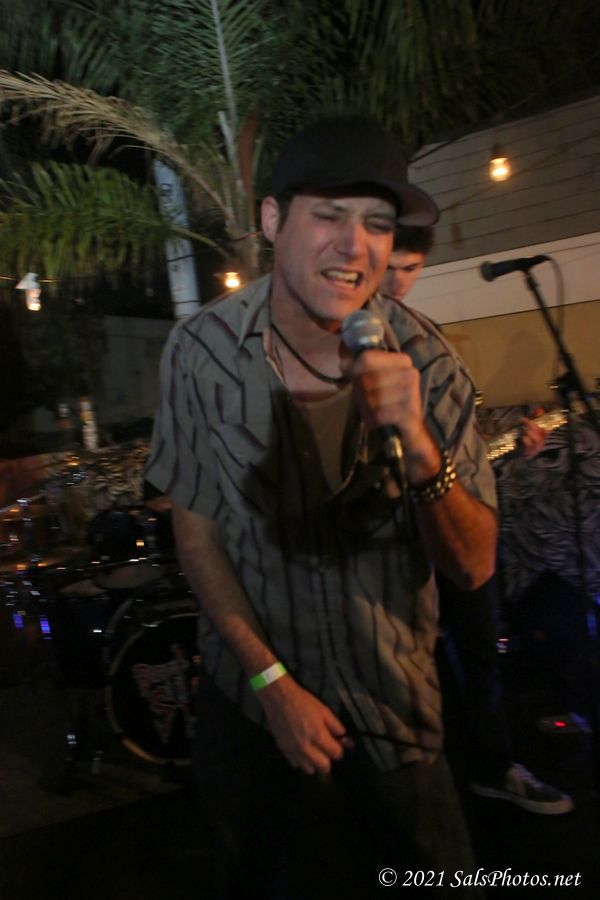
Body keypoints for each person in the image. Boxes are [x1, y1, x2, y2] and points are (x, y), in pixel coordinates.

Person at [145, 116, 498, 899]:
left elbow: (474, 566)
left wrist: (421, 448)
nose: (355, 245)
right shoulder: (201, 354)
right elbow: (196, 535)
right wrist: (271, 683)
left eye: (376, 223)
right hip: (249, 702)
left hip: (393, 704)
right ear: (273, 220)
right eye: (329, 215)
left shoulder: (430, 363)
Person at [380, 224, 574, 815]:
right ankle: (449, 778)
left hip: (464, 521)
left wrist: (516, 446)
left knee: (480, 651)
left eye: (411, 268)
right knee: (432, 659)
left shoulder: (426, 336)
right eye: (391, 267)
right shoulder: (368, 342)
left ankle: (488, 767)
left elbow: (465, 447)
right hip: (409, 533)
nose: (399, 281)